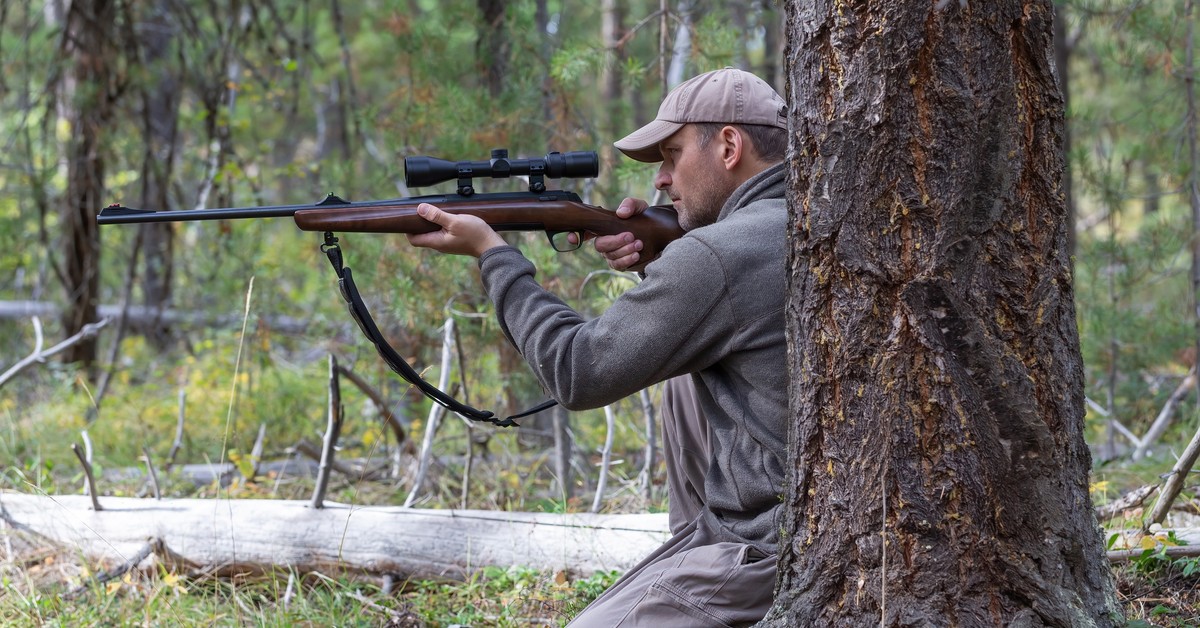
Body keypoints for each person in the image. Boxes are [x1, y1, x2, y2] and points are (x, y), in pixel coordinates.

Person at [407, 67, 789, 627]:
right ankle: (694, 547)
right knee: (687, 373)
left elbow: (576, 372)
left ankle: (711, 576)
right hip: (791, 506)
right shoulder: (807, 220)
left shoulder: (717, 253)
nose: (660, 179)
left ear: (729, 145)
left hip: (769, 546)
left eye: (672, 154)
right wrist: (664, 266)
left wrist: (495, 256)